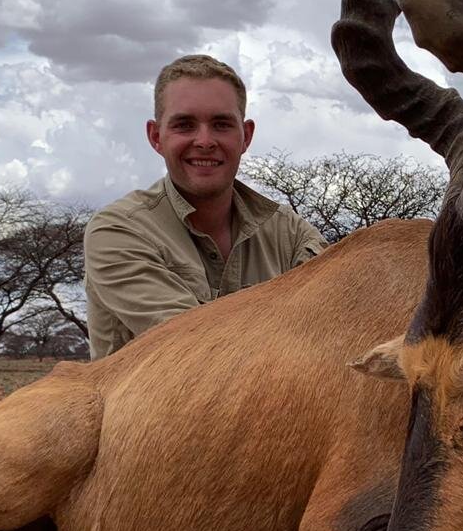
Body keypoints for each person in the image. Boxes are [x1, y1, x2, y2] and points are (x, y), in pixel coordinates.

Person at [85, 55, 325, 359]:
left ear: (246, 136)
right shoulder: (117, 230)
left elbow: (341, 317)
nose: (204, 141)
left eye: (221, 125)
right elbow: (199, 347)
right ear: (156, 137)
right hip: (152, 406)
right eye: (184, 125)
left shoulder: (289, 232)